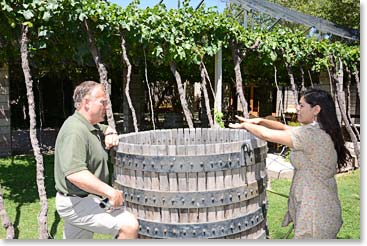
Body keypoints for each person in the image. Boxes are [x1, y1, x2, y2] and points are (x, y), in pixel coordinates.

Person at [229, 88, 350, 239]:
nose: (297, 109)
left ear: (316, 109)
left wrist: (245, 126)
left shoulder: (311, 135)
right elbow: (284, 128)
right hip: (320, 205)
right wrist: (259, 121)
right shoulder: (319, 131)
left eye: (301, 105)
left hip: (315, 211)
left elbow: (267, 135)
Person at [54, 81, 139, 239]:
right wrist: (111, 193)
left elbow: (101, 128)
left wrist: (109, 131)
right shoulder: (74, 131)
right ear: (86, 102)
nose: (106, 107)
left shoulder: (87, 125)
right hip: (77, 203)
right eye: (103, 102)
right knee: (129, 226)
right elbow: (75, 173)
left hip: (81, 199)